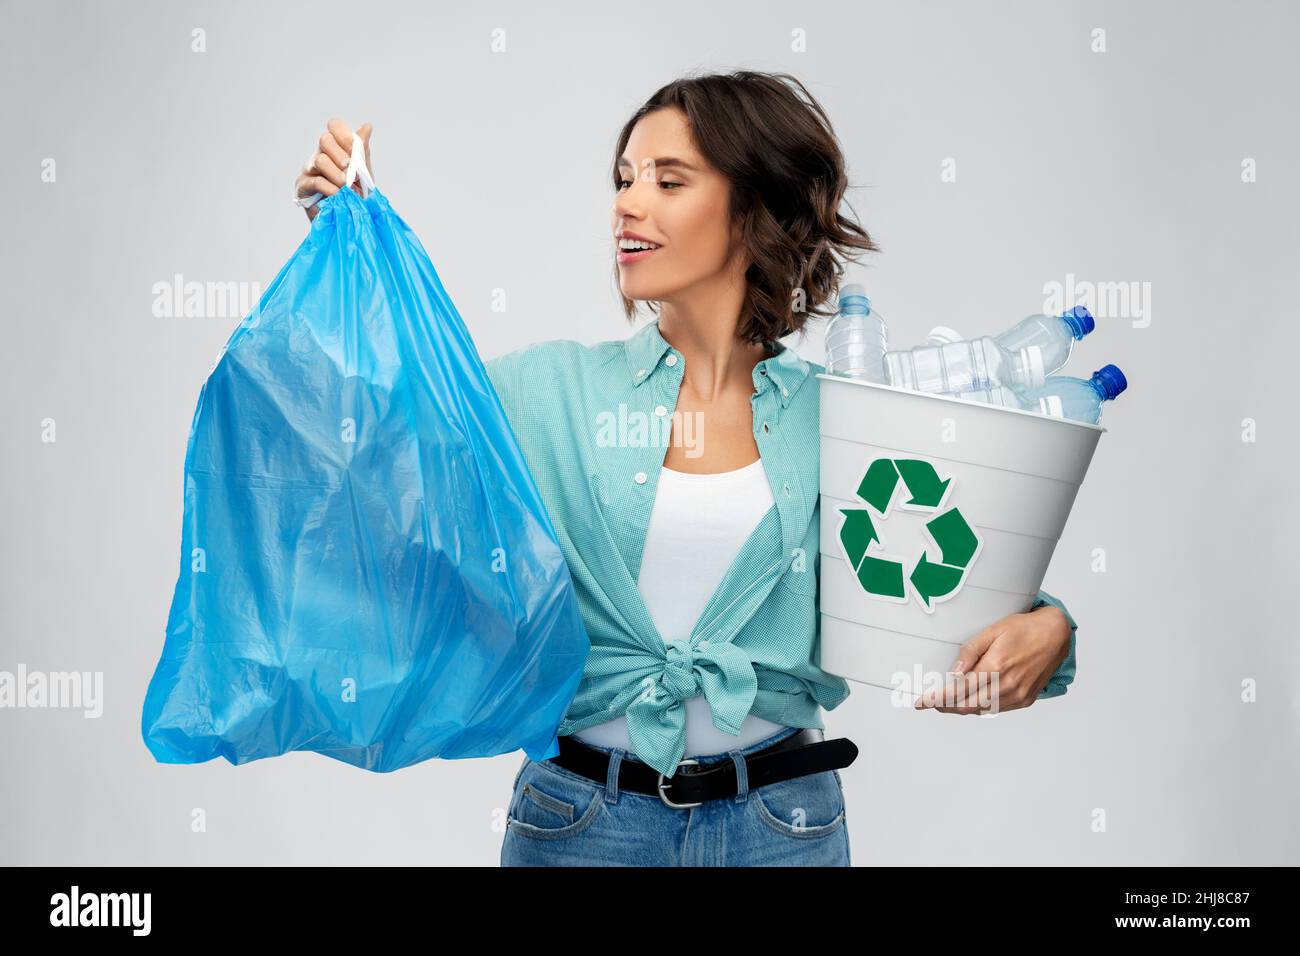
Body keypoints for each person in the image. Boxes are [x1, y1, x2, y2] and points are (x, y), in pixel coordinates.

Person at [293, 70, 1079, 867]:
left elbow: (942, 569)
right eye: (624, 179)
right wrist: (349, 247)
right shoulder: (544, 391)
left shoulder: (841, 415)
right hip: (579, 826)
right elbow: (380, 458)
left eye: (669, 181)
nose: (627, 204)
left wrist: (1052, 625)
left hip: (783, 829)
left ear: (754, 207)